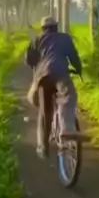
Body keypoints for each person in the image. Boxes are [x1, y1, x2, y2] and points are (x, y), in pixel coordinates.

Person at [25, 17, 82, 159]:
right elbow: (74, 56)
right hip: (61, 73)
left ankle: (43, 147)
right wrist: (79, 70)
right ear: (56, 27)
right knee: (68, 97)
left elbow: (28, 59)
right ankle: (66, 129)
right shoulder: (65, 38)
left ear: (43, 29)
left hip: (43, 77)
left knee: (45, 111)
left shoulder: (37, 40)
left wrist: (36, 68)